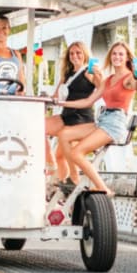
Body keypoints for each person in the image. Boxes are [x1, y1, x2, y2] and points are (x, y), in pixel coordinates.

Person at [56, 41, 137, 196]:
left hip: (115, 123)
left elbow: (135, 85)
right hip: (103, 119)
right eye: (114, 54)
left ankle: (103, 188)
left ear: (127, 57)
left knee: (76, 153)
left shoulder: (128, 77)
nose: (117, 57)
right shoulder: (108, 80)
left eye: (121, 54)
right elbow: (88, 101)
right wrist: (61, 102)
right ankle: (73, 178)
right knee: (64, 134)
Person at [44, 41, 100, 183]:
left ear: (84, 54)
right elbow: (56, 96)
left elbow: (101, 88)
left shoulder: (88, 72)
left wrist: (98, 75)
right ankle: (58, 174)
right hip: (66, 116)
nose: (75, 56)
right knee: (40, 126)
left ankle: (73, 179)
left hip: (81, 118)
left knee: (64, 153)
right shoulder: (67, 75)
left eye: (78, 53)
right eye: (72, 53)